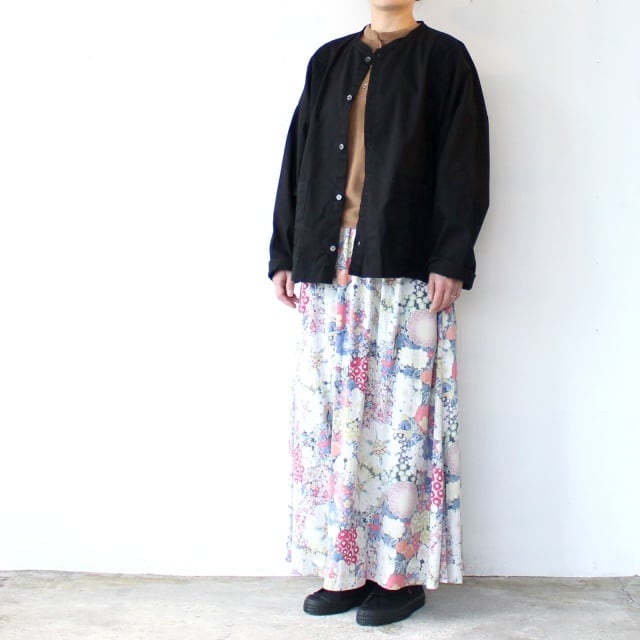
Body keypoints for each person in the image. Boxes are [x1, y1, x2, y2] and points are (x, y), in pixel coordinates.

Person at [268, 0, 489, 627]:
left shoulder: (445, 59)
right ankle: (343, 568)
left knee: (401, 425)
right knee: (331, 424)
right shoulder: (329, 60)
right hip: (326, 264)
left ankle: (398, 573)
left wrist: (450, 256)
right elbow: (298, 158)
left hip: (405, 266)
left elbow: (465, 164)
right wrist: (284, 251)